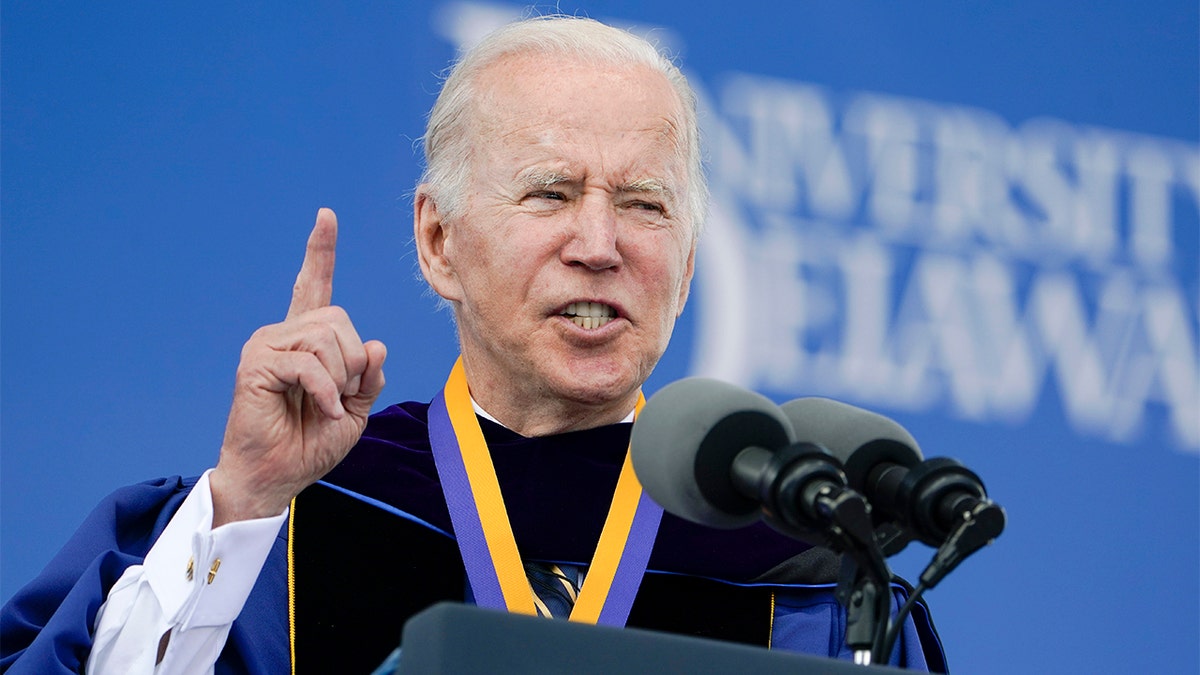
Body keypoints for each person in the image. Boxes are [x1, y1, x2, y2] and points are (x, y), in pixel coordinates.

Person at [0, 16, 945, 674]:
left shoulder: (800, 567)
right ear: (438, 240)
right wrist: (245, 499)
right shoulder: (301, 510)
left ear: (688, 266)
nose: (599, 243)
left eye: (644, 204)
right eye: (549, 192)